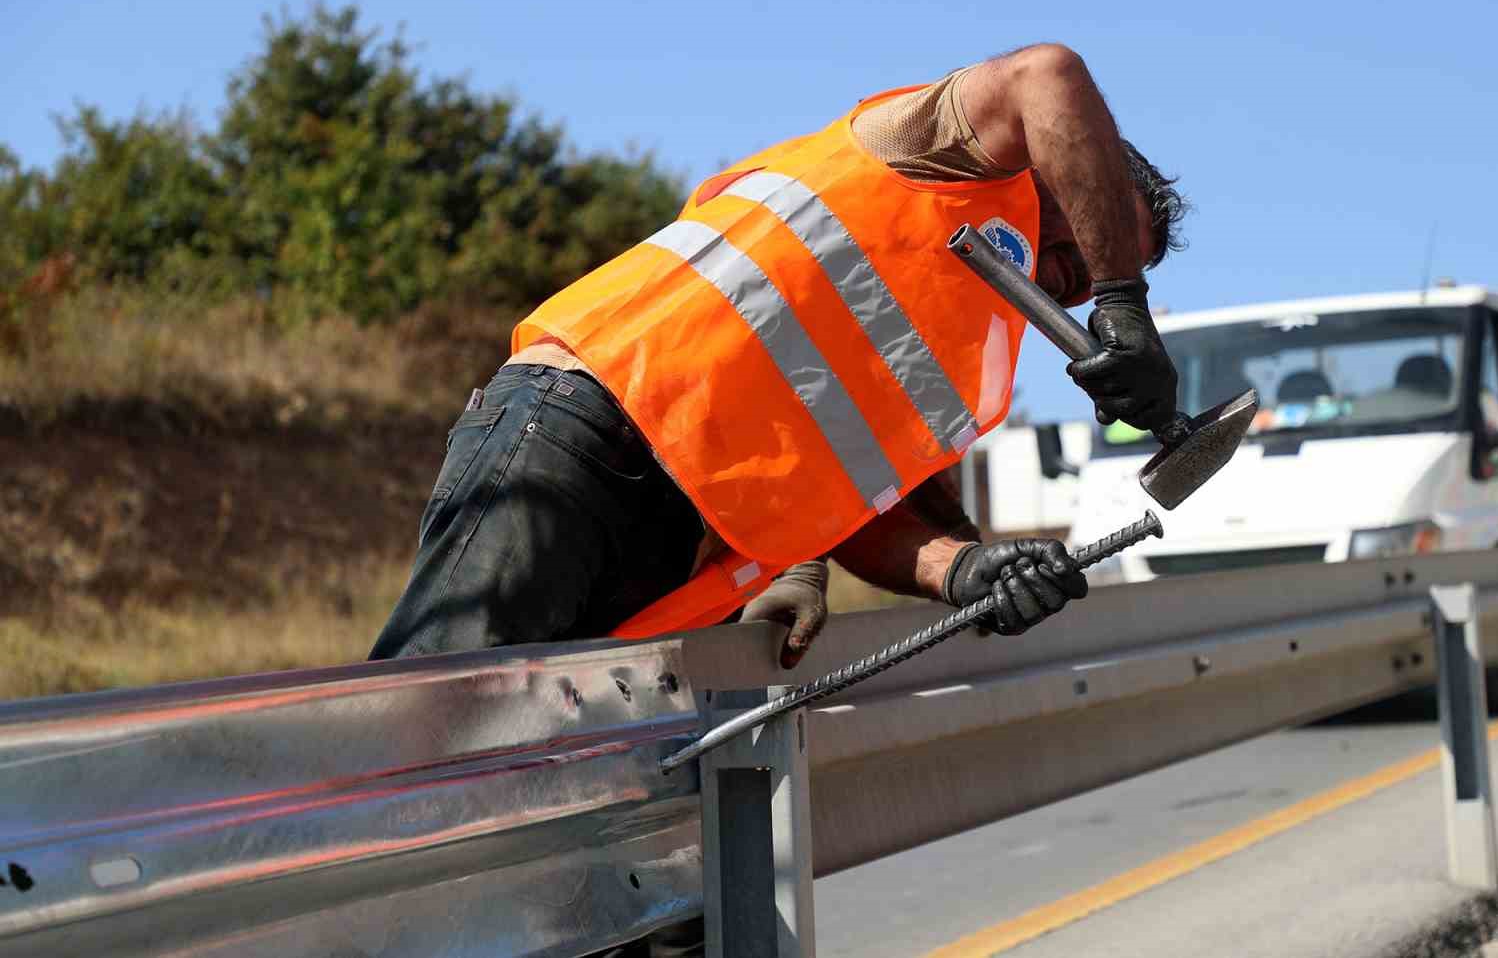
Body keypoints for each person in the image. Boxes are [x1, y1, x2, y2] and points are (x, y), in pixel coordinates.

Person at [370, 40, 1188, 671]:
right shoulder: (935, 157)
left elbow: (859, 510)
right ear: (1061, 163)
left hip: (687, 552)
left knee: (541, 790)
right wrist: (1125, 301)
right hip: (591, 430)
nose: (1080, 284)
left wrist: (965, 570)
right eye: (1093, 234)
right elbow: (1048, 72)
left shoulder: (972, 358)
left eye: (1098, 279)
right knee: (436, 730)